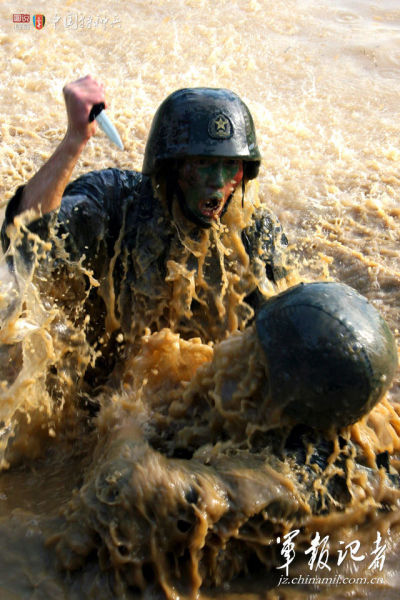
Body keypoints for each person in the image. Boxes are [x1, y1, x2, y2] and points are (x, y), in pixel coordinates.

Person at [1, 75, 291, 387]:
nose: (218, 181)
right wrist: (75, 140)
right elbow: (26, 238)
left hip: (200, 392)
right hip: (95, 382)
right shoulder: (113, 202)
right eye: (204, 163)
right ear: (172, 167)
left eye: (230, 165)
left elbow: (285, 331)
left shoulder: (254, 233)